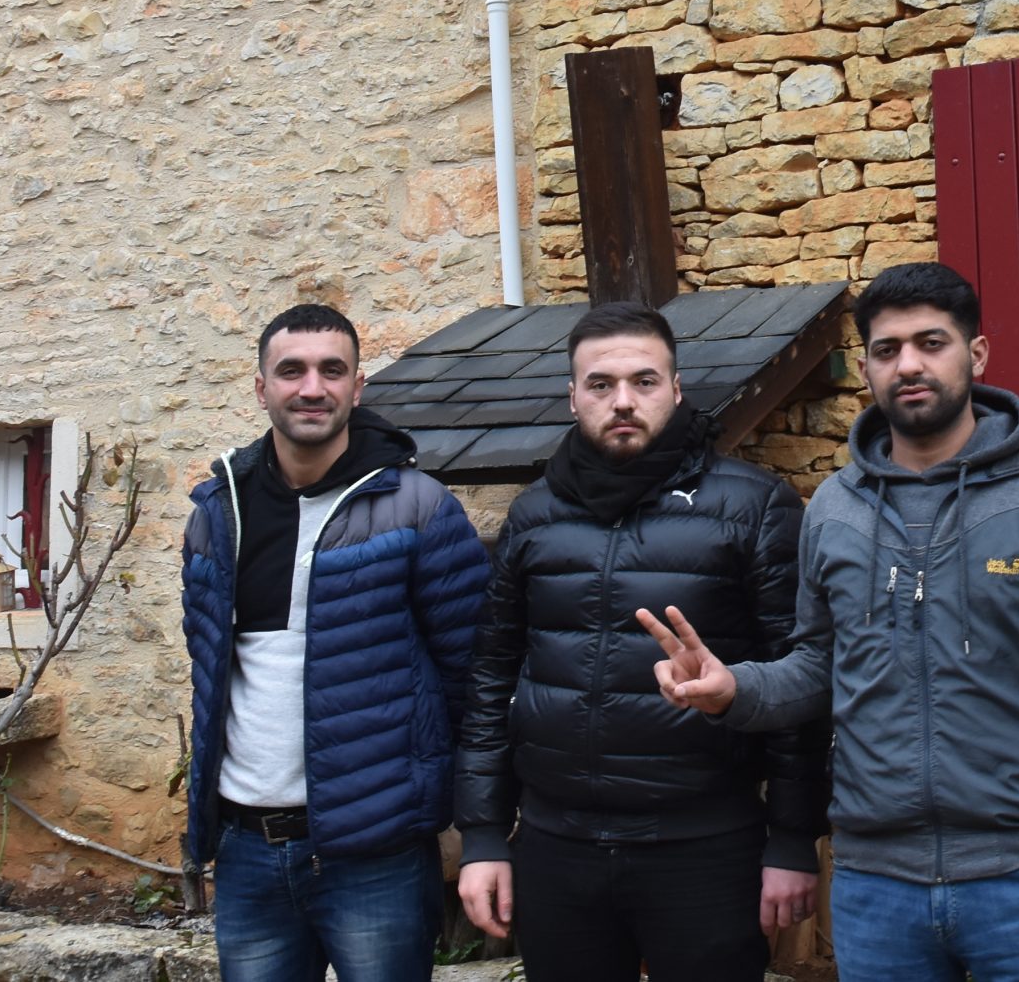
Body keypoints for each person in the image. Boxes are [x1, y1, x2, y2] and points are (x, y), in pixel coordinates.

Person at [640, 260, 1019, 982]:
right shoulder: (836, 508)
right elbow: (819, 664)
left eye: (931, 343)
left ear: (976, 354)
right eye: (887, 350)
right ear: (867, 370)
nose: (908, 364)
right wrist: (736, 689)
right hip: (875, 888)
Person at [452, 301, 828, 980]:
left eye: (644, 381)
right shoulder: (534, 515)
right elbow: (491, 677)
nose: (623, 400)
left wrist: (792, 839)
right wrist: (482, 834)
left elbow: (798, 679)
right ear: (573, 396)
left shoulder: (753, 506)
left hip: (705, 848)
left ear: (676, 389)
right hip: (557, 848)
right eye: (600, 384)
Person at [182, 303, 490, 982]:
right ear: (261, 387)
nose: (312, 387)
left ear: (358, 385)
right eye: (291, 371)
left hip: (377, 853)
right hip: (247, 849)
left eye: (332, 370)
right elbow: (211, 671)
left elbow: (473, 678)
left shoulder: (418, 508)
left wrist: (477, 828)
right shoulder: (217, 515)